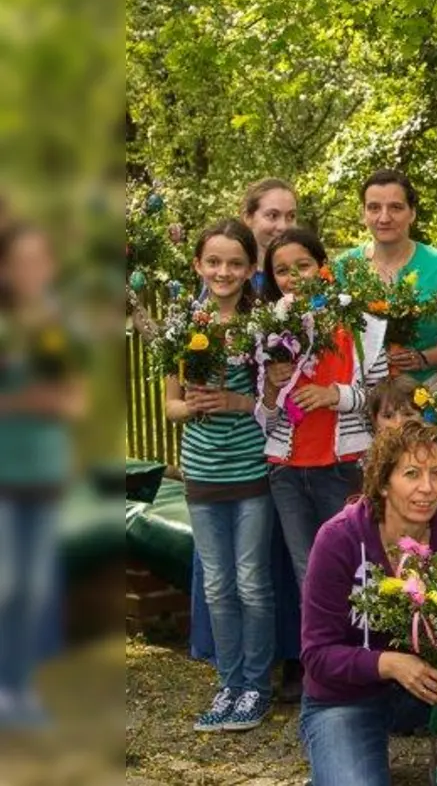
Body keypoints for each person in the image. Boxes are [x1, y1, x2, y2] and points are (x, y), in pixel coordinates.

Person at [298, 421, 437, 786]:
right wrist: (388, 663)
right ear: (383, 483)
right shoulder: (338, 539)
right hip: (344, 699)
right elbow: (317, 656)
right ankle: (335, 760)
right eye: (411, 473)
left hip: (425, 691)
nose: (427, 488)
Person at [163, 220, 276, 732]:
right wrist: (190, 408)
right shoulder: (183, 324)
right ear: (198, 265)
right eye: (213, 261)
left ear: (251, 268)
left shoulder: (267, 327)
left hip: (251, 470)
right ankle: (228, 684)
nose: (223, 271)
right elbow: (169, 404)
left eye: (235, 263)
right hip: (203, 472)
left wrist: (235, 401)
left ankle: (257, 686)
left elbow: (278, 405)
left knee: (252, 582)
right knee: (217, 585)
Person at [260, 229, 390, 586]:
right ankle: (317, 644)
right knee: (309, 578)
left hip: (342, 468)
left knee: (355, 572)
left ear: (323, 267)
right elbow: (266, 418)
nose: (293, 277)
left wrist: (336, 395)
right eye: (282, 270)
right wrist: (272, 384)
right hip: (286, 473)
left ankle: (358, 644)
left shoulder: (359, 325)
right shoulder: (268, 329)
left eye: (303, 265)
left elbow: (381, 399)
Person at [0, 223, 86, 728]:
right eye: (22, 262)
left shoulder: (60, 328)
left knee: (35, 588)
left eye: (41, 261)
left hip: (46, 474)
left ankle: (20, 688)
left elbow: (75, 400)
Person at [334, 168, 437, 386]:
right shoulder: (343, 267)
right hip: (360, 394)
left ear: (412, 213)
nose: (384, 217)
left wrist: (424, 359)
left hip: (427, 389)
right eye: (374, 208)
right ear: (364, 213)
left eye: (396, 207)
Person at [240, 178, 297, 293]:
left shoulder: (308, 273)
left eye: (291, 216)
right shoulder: (230, 275)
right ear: (248, 218)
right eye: (273, 215)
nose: (283, 227)